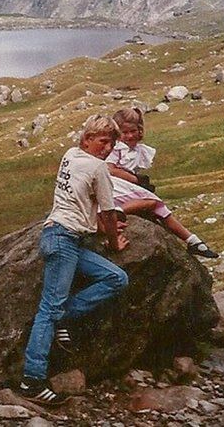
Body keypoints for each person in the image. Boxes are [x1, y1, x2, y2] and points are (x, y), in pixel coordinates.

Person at [19, 115, 130, 406]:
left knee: (116, 278)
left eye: (112, 143)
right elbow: (108, 212)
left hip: (64, 237)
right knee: (49, 309)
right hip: (64, 239)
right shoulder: (97, 168)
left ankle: (66, 317)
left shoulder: (70, 155)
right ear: (87, 140)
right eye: (103, 141)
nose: (108, 148)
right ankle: (31, 380)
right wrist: (113, 240)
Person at [107, 108, 218, 259]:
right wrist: (137, 180)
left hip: (126, 186)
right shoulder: (117, 148)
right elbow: (110, 169)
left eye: (133, 131)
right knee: (155, 203)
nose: (129, 136)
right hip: (114, 186)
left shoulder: (138, 150)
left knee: (154, 206)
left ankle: (192, 240)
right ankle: (192, 240)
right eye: (124, 132)